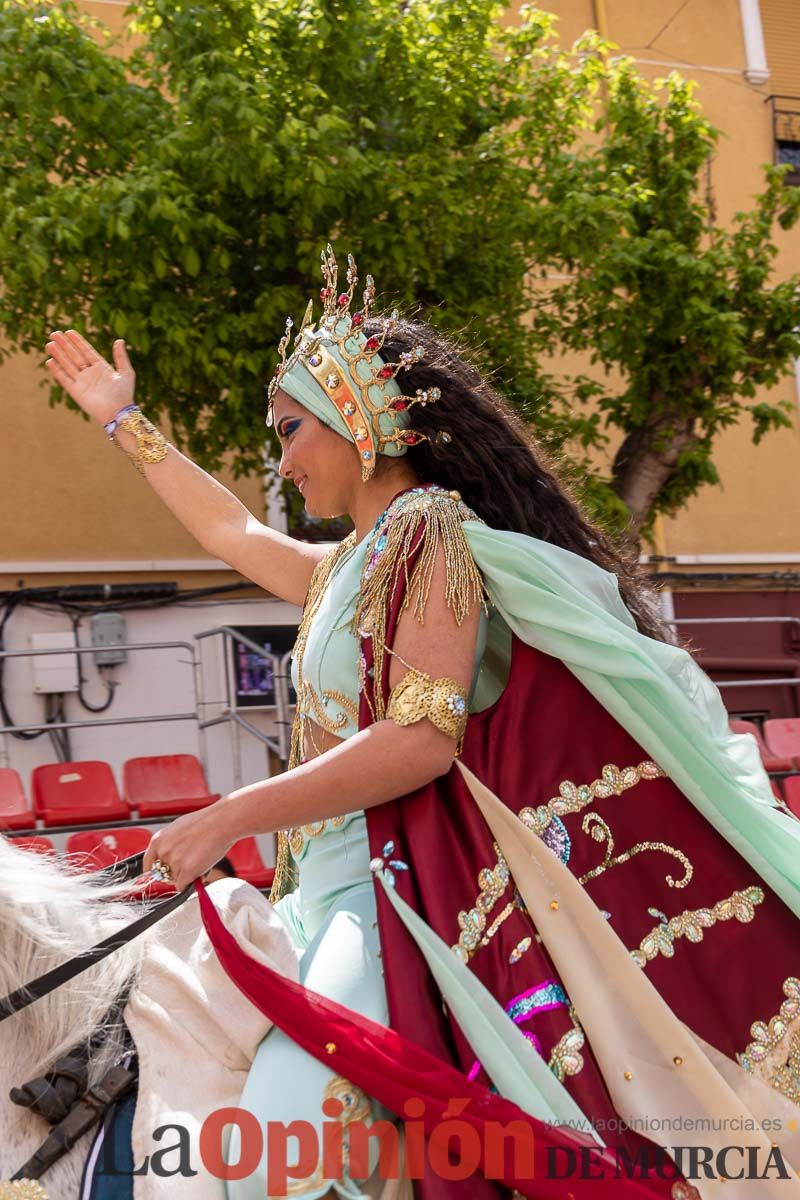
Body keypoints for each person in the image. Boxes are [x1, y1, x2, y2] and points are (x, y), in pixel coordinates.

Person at [44, 247, 800, 1200]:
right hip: (312, 901)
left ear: (359, 425)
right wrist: (123, 421)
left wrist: (229, 814)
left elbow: (420, 738)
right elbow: (232, 535)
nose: (282, 460)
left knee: (276, 1149)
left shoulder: (430, 533)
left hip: (381, 896)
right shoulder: (348, 567)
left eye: (290, 431)